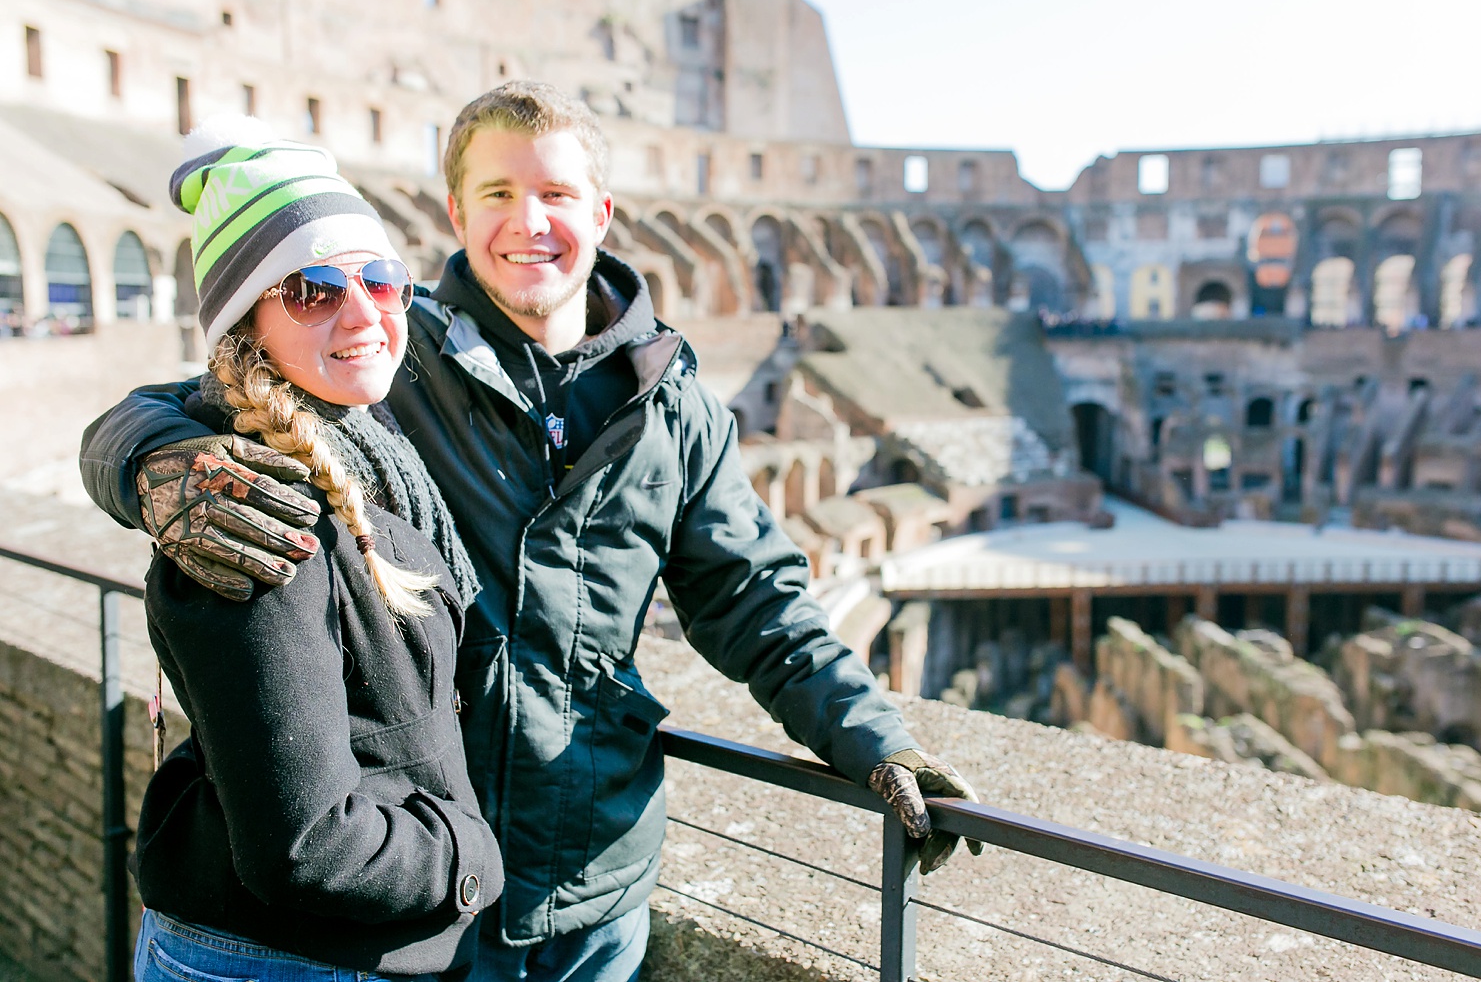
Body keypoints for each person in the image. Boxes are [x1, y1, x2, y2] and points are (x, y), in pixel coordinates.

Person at [82, 82, 978, 982]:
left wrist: (877, 741)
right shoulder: (390, 350)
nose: (529, 222)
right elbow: (185, 400)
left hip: (593, 880)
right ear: (456, 214)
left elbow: (754, 598)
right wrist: (151, 466)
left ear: (603, 211)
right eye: (498, 195)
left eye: (555, 194)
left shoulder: (673, 406)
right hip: (412, 874)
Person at [125, 119, 502, 982]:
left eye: (381, 279)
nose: (364, 311)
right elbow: (305, 844)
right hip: (280, 958)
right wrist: (470, 854)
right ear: (245, 327)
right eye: (312, 288)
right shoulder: (251, 513)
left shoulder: (360, 442)